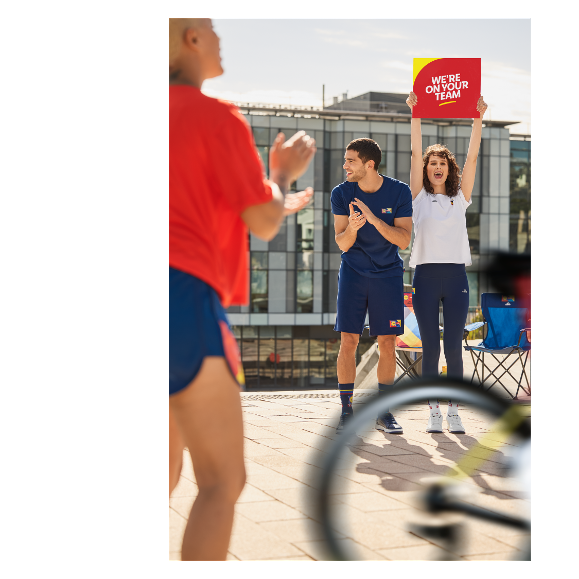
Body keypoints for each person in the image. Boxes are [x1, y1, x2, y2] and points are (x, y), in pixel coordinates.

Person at [169, 18, 316, 561]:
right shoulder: (217, 117)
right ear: (190, 38)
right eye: (210, 26)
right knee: (220, 482)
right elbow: (263, 220)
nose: (220, 36)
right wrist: (280, 176)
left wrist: (270, 194)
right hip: (182, 301)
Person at [406, 91, 488, 434]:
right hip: (424, 277)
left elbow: (472, 158)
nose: (437, 167)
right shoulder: (417, 198)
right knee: (430, 347)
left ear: (447, 169)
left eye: (442, 163)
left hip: (455, 278)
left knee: (454, 347)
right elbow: (413, 152)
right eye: (432, 163)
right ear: (426, 169)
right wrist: (415, 114)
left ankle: (454, 409)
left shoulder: (460, 198)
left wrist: (478, 118)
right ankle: (433, 412)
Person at [331, 138, 413, 434]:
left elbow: (404, 240)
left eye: (350, 161)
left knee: (387, 342)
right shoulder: (341, 193)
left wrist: (374, 219)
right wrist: (352, 227)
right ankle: (346, 411)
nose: (345, 166)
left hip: (388, 275)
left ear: (369, 164)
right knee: (349, 341)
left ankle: (384, 412)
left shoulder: (399, 191)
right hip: (353, 273)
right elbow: (341, 243)